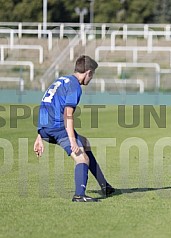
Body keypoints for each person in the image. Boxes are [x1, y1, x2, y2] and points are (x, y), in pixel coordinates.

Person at [33, 55, 115, 202]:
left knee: (84, 142)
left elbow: (46, 105)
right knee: (81, 157)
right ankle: (79, 194)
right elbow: (67, 114)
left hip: (46, 127)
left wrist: (40, 134)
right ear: (88, 72)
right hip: (58, 128)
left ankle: (105, 186)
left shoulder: (61, 81)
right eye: (92, 75)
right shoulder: (74, 86)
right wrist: (72, 141)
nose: (91, 79)